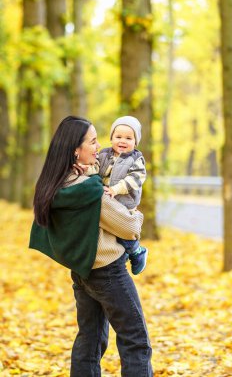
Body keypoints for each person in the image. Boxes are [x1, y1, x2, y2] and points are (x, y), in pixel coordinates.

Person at [29, 116, 153, 377]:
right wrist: (136, 215)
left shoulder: (59, 182)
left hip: (82, 271)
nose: (100, 148)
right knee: (135, 340)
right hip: (108, 270)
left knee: (90, 339)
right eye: (93, 142)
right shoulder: (90, 191)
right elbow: (130, 228)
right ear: (76, 149)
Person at [83, 116, 148, 275]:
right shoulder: (104, 154)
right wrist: (84, 170)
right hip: (108, 201)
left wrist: (116, 189)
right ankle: (122, 255)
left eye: (128, 138)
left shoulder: (136, 159)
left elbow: (135, 179)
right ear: (111, 138)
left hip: (126, 203)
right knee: (110, 233)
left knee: (124, 233)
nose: (122, 141)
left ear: (135, 142)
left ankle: (137, 251)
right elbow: (95, 168)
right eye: (118, 137)